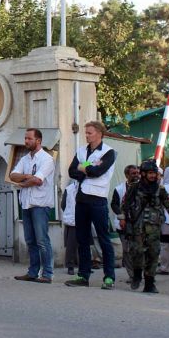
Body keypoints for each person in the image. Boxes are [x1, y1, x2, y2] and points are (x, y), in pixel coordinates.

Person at [65, 121, 117, 289]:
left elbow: (97, 172)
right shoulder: (81, 150)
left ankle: (109, 277)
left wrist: (83, 168)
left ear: (100, 134)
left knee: (104, 239)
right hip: (82, 198)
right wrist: (87, 168)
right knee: (82, 239)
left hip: (98, 200)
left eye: (90, 133)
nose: (86, 135)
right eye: (86, 133)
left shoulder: (108, 152)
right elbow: (71, 171)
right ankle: (83, 275)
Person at [121, 160, 169, 293]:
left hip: (154, 228)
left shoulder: (160, 189)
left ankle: (149, 283)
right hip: (138, 227)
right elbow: (125, 204)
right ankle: (137, 275)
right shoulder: (134, 188)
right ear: (143, 174)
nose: (153, 176)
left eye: (154, 173)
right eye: (150, 173)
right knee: (137, 253)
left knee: (153, 255)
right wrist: (123, 219)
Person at [10, 128, 56, 283]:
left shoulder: (46, 159)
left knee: (42, 240)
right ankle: (33, 272)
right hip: (26, 204)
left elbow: (38, 180)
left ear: (39, 141)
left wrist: (22, 184)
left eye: (29, 138)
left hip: (40, 204)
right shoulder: (25, 159)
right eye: (25, 138)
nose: (26, 141)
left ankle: (47, 274)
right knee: (30, 240)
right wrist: (26, 177)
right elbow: (12, 175)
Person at [111, 164, 140, 273]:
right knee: (127, 249)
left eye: (138, 173)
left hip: (139, 224)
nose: (136, 175)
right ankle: (132, 274)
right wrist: (121, 217)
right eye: (133, 173)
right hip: (124, 224)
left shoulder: (143, 188)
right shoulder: (119, 189)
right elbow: (114, 204)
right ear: (127, 175)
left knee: (139, 250)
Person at [60, 181, 79, 276]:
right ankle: (70, 266)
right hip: (72, 220)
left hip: (85, 219)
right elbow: (63, 205)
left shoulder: (87, 186)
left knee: (85, 244)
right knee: (71, 245)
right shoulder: (69, 189)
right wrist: (69, 213)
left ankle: (84, 266)